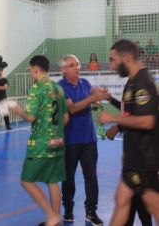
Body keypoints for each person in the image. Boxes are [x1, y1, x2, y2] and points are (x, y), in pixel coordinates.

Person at [99, 39, 159, 225]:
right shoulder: (132, 82)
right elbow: (130, 112)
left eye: (112, 59)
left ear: (125, 57)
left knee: (152, 204)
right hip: (134, 157)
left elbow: (148, 121)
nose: (111, 65)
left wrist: (113, 119)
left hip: (145, 159)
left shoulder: (143, 82)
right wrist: (109, 99)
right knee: (122, 200)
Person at [10, 55, 69, 226]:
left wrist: (17, 110)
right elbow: (65, 118)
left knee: (26, 180)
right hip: (58, 143)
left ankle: (52, 216)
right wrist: (55, 133)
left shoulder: (37, 89)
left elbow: (30, 117)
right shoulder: (59, 89)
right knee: (52, 182)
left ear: (36, 69)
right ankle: (55, 220)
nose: (31, 74)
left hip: (41, 145)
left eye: (31, 71)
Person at [58, 54, 109, 226]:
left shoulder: (85, 83)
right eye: (72, 65)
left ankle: (91, 211)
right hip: (70, 141)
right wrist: (92, 99)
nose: (77, 67)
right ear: (63, 69)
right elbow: (71, 109)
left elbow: (93, 96)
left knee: (91, 177)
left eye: (77, 64)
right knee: (68, 178)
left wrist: (101, 94)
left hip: (89, 139)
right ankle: (68, 210)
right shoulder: (59, 88)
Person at [106, 96, 152, 226]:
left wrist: (116, 126)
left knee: (137, 201)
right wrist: (110, 99)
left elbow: (141, 118)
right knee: (132, 202)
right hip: (137, 162)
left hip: (144, 164)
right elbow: (132, 111)